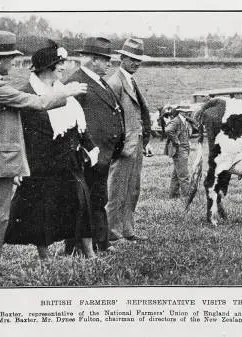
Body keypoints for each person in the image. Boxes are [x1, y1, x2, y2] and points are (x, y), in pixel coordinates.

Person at [0, 31, 87, 282]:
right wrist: (69, 91)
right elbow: (38, 103)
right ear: (0, 60)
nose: (13, 63)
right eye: (11, 58)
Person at [4, 40, 99, 259]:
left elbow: (78, 125)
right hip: (41, 165)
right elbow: (16, 134)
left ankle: (89, 253)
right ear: (47, 67)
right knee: (41, 211)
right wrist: (17, 166)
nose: (64, 68)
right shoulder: (27, 94)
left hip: (70, 161)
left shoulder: (63, 91)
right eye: (60, 64)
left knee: (82, 203)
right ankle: (45, 257)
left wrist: (90, 147)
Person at [62, 37, 125, 254]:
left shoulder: (99, 81)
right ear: (93, 60)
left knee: (98, 198)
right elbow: (68, 119)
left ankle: (100, 242)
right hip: (87, 154)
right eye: (105, 59)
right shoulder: (75, 83)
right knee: (82, 201)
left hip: (102, 153)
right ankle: (76, 246)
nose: (109, 63)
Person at [104, 38, 152, 242]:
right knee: (117, 190)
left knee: (132, 189)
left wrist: (143, 141)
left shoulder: (131, 81)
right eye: (132, 59)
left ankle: (127, 230)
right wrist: (118, 144)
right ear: (121, 58)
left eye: (138, 60)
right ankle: (112, 233)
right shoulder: (115, 83)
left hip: (136, 143)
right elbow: (110, 118)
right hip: (123, 146)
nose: (136, 64)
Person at [164, 107, 192, 200]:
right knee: (184, 175)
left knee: (176, 174)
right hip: (179, 150)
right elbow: (168, 130)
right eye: (187, 111)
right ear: (181, 112)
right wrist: (176, 141)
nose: (189, 113)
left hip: (184, 149)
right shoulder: (176, 121)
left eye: (189, 111)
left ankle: (173, 196)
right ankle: (187, 197)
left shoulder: (184, 120)